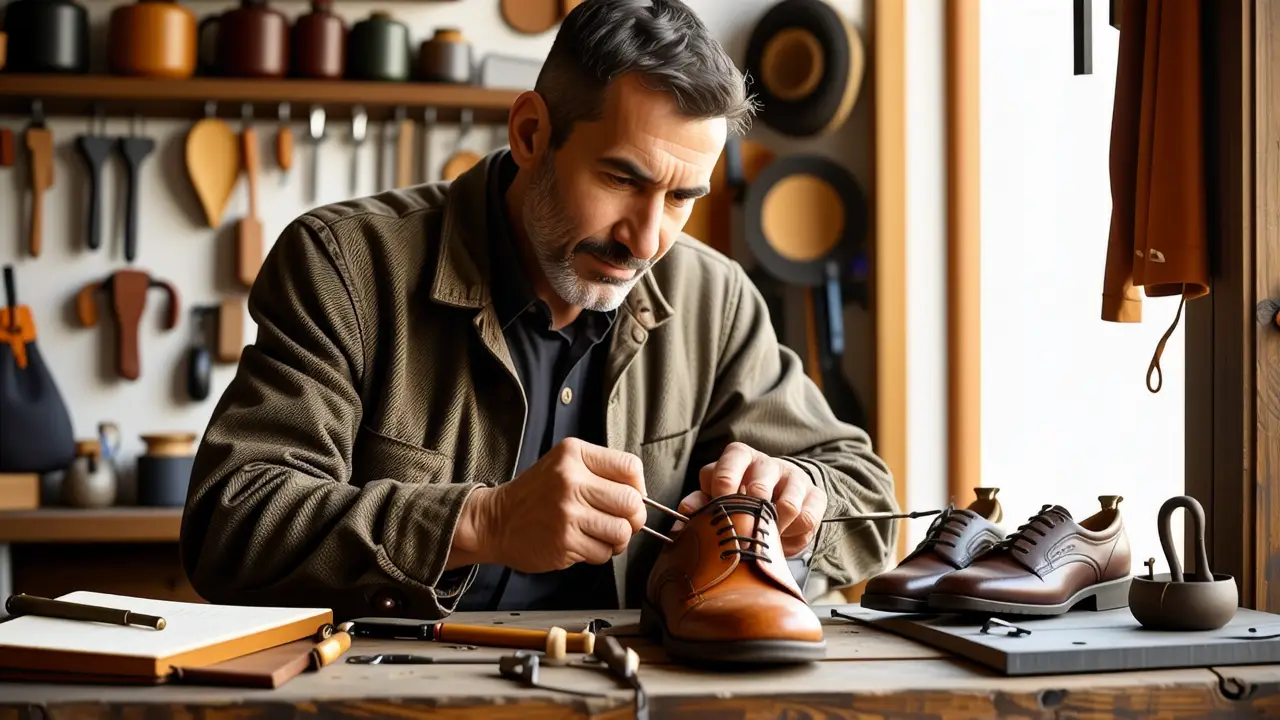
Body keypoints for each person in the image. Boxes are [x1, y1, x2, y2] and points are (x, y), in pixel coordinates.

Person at [180, 0, 898, 621]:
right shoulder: (344, 264)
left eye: (682, 198)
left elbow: (868, 499)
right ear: (529, 134)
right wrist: (480, 522)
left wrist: (804, 498)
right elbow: (232, 525)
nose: (646, 241)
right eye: (622, 178)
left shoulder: (716, 298)